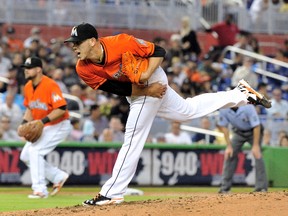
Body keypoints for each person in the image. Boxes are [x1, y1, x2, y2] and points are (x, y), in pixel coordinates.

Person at [64, 23, 271, 206]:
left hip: (152, 75)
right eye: (72, 42)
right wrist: (147, 90)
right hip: (139, 90)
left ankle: (111, 193)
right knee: (187, 111)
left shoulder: (121, 42)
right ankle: (240, 94)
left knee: (133, 136)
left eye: (77, 42)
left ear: (92, 41)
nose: (73, 46)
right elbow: (119, 90)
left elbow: (159, 51)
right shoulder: (83, 68)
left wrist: (147, 77)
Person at [18, 57, 72, 199]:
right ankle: (57, 176)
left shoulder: (50, 85)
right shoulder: (28, 86)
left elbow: (61, 108)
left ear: (38, 69)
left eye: (29, 68)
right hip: (44, 126)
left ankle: (40, 190)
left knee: (35, 151)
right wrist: (23, 123)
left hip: (60, 124)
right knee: (25, 155)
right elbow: (30, 108)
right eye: (25, 68)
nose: (26, 70)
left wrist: (42, 122)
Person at [217, 104, 268, 193]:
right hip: (238, 132)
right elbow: (224, 127)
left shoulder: (248, 107)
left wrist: (256, 146)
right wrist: (229, 146)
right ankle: (224, 188)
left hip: (253, 131)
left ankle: (261, 187)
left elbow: (256, 126)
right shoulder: (224, 108)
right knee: (230, 155)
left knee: (257, 155)